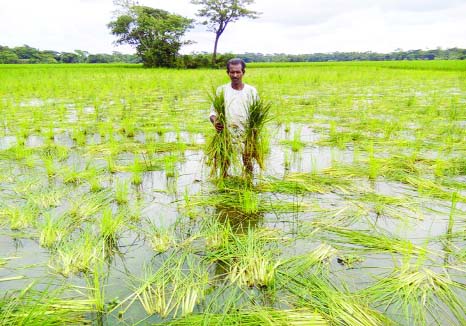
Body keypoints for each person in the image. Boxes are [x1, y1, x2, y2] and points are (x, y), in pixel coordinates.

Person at [209, 58, 258, 173]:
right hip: (226, 133)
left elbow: (257, 115)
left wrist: (254, 132)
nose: (235, 75)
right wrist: (215, 122)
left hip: (246, 133)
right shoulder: (221, 90)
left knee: (247, 161)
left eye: (238, 72)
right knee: (224, 162)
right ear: (228, 73)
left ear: (243, 72)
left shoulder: (251, 91)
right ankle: (223, 182)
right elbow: (213, 113)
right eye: (232, 72)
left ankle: (249, 183)